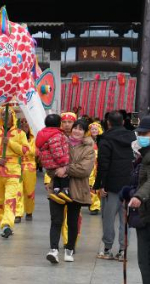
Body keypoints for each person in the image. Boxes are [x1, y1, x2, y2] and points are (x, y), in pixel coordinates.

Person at [46, 120, 94, 264]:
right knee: (56, 220)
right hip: (58, 187)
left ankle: (69, 249)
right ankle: (53, 250)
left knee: (72, 222)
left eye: (81, 129)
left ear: (85, 132)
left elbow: (85, 169)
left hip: (76, 190)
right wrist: (55, 171)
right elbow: (49, 162)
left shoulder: (88, 149)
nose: (77, 131)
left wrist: (65, 169)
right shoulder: (60, 142)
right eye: (75, 128)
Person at [94, 111, 135, 260]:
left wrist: (100, 184)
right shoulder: (133, 137)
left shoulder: (105, 139)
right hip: (129, 186)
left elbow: (103, 164)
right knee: (125, 219)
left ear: (108, 123)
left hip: (111, 185)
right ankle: (123, 251)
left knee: (108, 218)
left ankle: (107, 249)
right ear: (123, 122)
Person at [127, 114, 150, 284]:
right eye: (139, 133)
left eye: (144, 133)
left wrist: (139, 196)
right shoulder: (146, 153)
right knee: (145, 257)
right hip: (148, 212)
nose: (140, 136)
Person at [0, 107, 28, 238]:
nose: (5, 116)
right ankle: (3, 225)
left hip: (12, 172)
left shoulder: (20, 133)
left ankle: (7, 224)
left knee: (10, 199)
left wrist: (9, 142)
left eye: (8, 114)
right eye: (2, 114)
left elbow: (25, 150)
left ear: (13, 116)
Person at [35, 113, 71, 204]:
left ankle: (56, 191)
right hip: (56, 162)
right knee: (64, 175)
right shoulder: (55, 134)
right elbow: (57, 151)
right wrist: (63, 163)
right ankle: (64, 192)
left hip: (48, 164)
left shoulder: (43, 134)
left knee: (56, 178)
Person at [18, 117, 37, 221]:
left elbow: (34, 152)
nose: (24, 125)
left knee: (29, 192)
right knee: (17, 191)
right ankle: (18, 213)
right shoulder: (15, 137)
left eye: (26, 123)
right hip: (17, 167)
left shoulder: (33, 139)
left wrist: (25, 147)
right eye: (22, 123)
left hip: (30, 168)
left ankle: (29, 211)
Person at [87, 122, 103, 215]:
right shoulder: (87, 140)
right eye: (92, 129)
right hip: (91, 167)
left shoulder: (102, 140)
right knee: (92, 186)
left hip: (100, 166)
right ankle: (94, 206)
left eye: (95, 129)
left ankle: (97, 204)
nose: (94, 130)